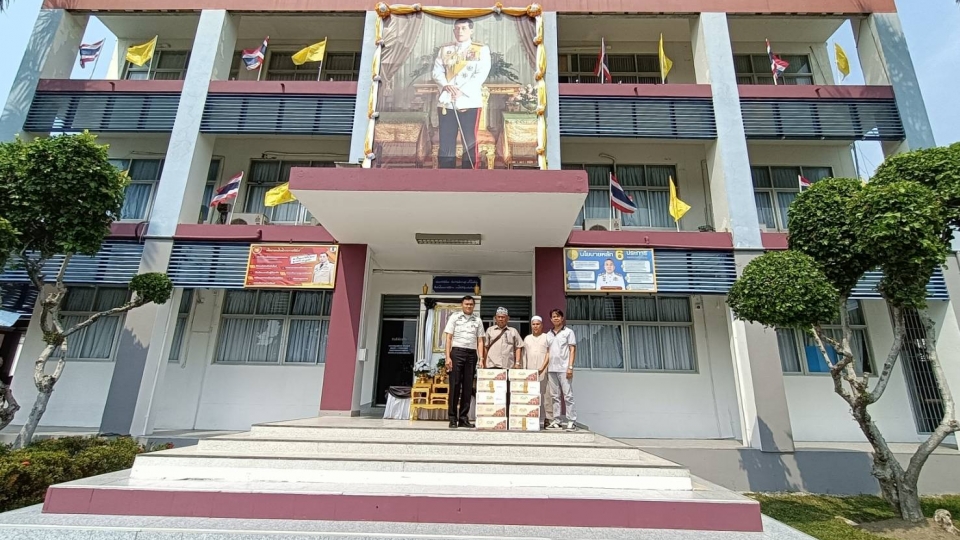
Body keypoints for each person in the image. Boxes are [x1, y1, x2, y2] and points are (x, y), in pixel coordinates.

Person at [432, 18, 491, 170]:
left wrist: (461, 91)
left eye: (464, 28)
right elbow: (437, 72)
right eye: (457, 28)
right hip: (447, 102)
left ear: (471, 30)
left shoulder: (481, 50)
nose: (460, 31)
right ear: (453, 31)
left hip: (468, 102)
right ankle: (446, 174)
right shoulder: (445, 50)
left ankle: (470, 175)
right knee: (446, 142)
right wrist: (446, 86)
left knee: (469, 141)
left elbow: (481, 74)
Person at [444, 295, 485, 428]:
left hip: (471, 354)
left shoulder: (477, 320)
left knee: (468, 387)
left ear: (474, 306)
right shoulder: (455, 317)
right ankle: (452, 418)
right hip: (457, 353)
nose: (468, 306)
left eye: (471, 304)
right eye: (466, 304)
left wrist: (481, 358)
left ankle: (463, 418)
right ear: (462, 305)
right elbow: (448, 338)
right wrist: (447, 357)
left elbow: (480, 340)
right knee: (455, 385)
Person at [544, 309, 577, 431]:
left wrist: (570, 367)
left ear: (562, 318)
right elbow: (548, 352)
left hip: (564, 369)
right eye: (553, 317)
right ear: (551, 319)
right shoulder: (548, 334)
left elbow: (572, 350)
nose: (556, 318)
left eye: (558, 316)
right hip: (552, 369)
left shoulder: (568, 332)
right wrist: (543, 367)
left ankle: (571, 420)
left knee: (568, 395)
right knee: (554, 396)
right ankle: (557, 421)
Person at [523, 316, 554, 427]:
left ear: (542, 325)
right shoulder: (527, 338)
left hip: (544, 371)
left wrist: (543, 367)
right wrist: (524, 371)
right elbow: (524, 356)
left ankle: (548, 419)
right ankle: (531, 418)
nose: (535, 326)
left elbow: (549, 353)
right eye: (533, 324)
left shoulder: (547, 337)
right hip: (530, 371)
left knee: (546, 396)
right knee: (531, 395)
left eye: (537, 324)